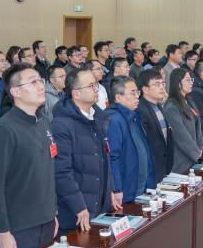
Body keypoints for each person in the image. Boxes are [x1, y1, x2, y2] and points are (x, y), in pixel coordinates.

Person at [0, 62, 59, 248]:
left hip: (47, 222)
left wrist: (53, 212)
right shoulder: (4, 130)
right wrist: (3, 232)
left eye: (40, 81)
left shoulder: (44, 122)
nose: (41, 86)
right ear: (15, 91)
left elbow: (49, 171)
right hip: (19, 229)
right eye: (33, 82)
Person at [52, 68, 120, 233]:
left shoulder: (97, 117)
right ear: (76, 94)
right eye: (90, 86)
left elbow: (104, 158)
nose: (96, 89)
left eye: (95, 84)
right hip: (77, 213)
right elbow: (62, 172)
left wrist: (110, 190)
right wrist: (79, 206)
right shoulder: (61, 125)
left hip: (99, 205)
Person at [107, 75, 156, 203]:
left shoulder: (133, 115)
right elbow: (112, 158)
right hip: (126, 190)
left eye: (137, 92)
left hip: (140, 188)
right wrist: (117, 189)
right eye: (132, 93)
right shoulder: (114, 119)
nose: (137, 96)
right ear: (118, 97)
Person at [163, 68, 203, 172]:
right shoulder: (171, 107)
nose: (191, 83)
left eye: (191, 79)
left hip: (193, 156)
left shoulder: (189, 100)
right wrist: (195, 151)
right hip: (181, 159)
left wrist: (200, 147)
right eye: (187, 80)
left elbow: (198, 126)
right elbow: (180, 135)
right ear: (178, 83)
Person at [136, 69, 175, 180]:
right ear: (145, 89)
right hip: (151, 170)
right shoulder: (140, 110)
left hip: (163, 168)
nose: (162, 87)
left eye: (162, 84)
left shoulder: (158, 106)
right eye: (157, 84)